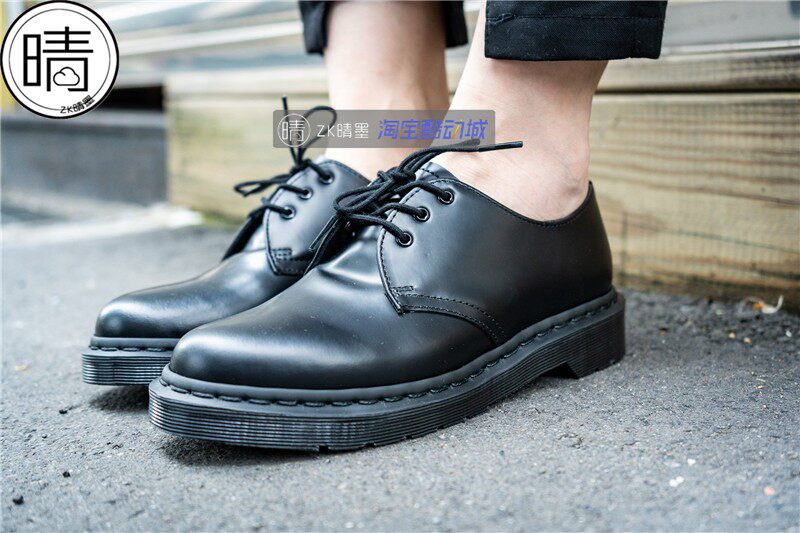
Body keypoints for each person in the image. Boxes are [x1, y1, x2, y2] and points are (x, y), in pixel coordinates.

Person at [93, 1, 667, 450]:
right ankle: (384, 139)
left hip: (522, 158)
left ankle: (522, 156)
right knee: (379, 115)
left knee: (506, 134)